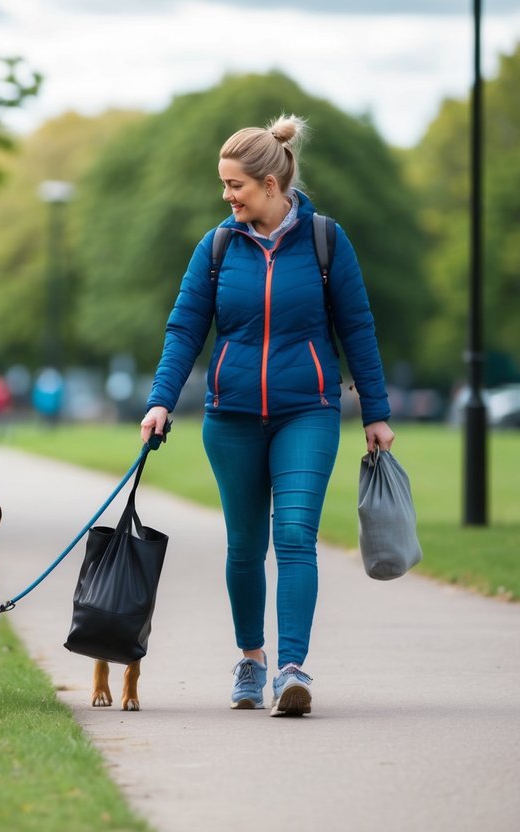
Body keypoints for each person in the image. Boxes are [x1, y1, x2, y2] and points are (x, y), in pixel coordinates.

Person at [139, 114, 395, 717]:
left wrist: (375, 412)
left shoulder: (327, 241)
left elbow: (357, 328)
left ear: (272, 185)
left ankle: (291, 671)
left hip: (307, 411)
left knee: (295, 537)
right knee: (245, 546)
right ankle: (251, 661)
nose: (226, 196)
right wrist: (160, 399)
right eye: (224, 185)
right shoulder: (218, 246)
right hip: (230, 419)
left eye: (236, 186)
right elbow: (185, 330)